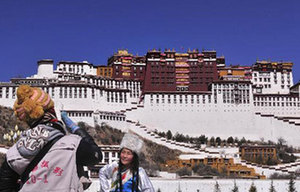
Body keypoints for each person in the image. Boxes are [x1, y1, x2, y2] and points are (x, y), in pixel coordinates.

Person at [0, 84, 102, 192]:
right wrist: (75, 128)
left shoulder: (14, 152)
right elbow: (96, 156)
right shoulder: (73, 144)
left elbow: (5, 187)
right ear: (52, 111)